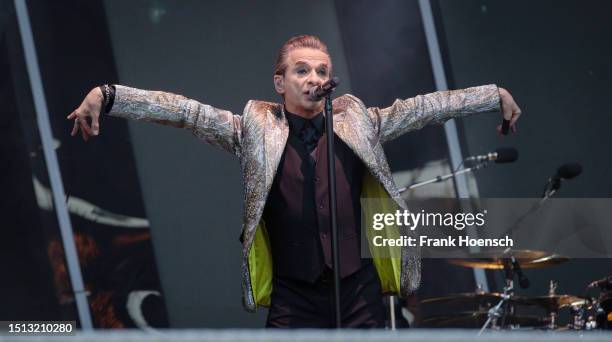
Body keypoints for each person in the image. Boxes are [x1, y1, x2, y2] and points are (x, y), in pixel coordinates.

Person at [67, 34, 521, 328]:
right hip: (293, 296)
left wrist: (491, 96)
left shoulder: (358, 122)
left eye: (322, 70)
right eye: (302, 70)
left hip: (358, 290)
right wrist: (108, 97)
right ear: (279, 82)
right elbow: (186, 112)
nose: (315, 78)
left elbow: (424, 107)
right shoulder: (253, 129)